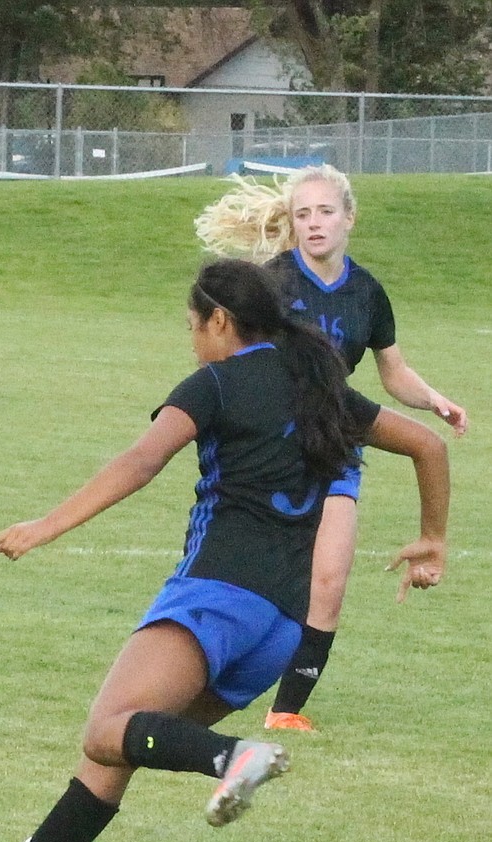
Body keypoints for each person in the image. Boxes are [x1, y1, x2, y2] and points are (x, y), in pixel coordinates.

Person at [0, 258, 448, 842]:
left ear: (220, 320)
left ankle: (233, 759)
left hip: (218, 599)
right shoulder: (319, 385)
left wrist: (46, 525)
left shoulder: (215, 383)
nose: (192, 341)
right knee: (121, 747)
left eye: (193, 326)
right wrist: (432, 539)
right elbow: (429, 446)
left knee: (106, 729)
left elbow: (143, 458)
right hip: (279, 631)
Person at [195, 164, 466, 731]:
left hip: (335, 437)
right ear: (291, 224)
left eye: (324, 212)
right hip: (273, 449)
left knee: (330, 580)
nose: (313, 223)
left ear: (349, 218)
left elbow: (393, 372)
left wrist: (432, 399)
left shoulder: (367, 292)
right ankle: (207, 673)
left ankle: (286, 712)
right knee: (263, 572)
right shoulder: (271, 284)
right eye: (302, 214)